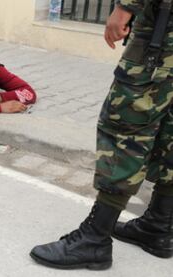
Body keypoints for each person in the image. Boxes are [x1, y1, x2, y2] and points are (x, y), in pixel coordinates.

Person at [30, 1, 173, 270]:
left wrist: (125, 7)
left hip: (162, 33)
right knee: (170, 128)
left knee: (126, 126)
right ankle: (159, 224)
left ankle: (94, 238)